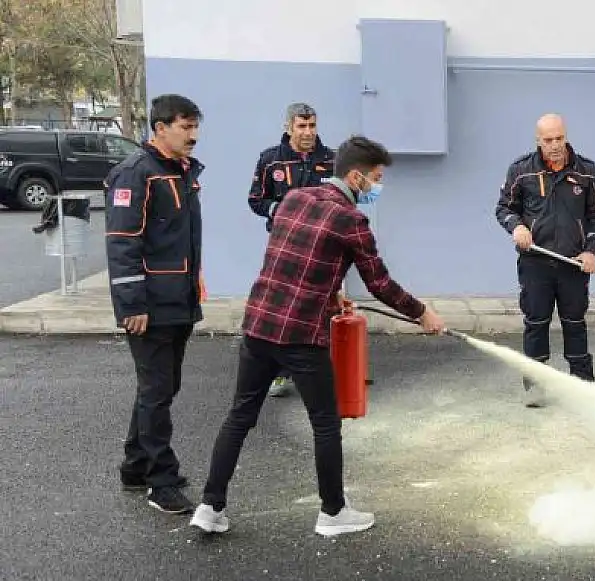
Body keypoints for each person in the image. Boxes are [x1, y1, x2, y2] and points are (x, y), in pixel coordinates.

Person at [189, 135, 445, 537]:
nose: (378, 188)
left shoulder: (294, 199)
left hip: (259, 324)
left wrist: (332, 293)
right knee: (325, 424)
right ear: (356, 177)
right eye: (376, 179)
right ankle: (332, 513)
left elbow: (295, 258)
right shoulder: (352, 221)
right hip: (301, 337)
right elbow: (380, 284)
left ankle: (210, 506)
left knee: (240, 417)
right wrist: (422, 312)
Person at [105, 94, 205, 514]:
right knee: (157, 389)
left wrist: (194, 281)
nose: (193, 136)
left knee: (159, 386)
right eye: (186, 127)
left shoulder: (180, 171)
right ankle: (160, 481)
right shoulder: (135, 174)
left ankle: (135, 466)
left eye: (196, 127)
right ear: (160, 128)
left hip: (177, 299)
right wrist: (132, 307)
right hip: (150, 304)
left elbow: (177, 238)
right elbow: (123, 245)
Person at [493, 113, 595, 408]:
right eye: (548, 140)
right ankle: (535, 387)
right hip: (536, 263)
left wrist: (592, 251)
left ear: (565, 136)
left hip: (573, 265)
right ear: (538, 141)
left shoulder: (587, 171)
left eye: (559, 138)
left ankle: (583, 385)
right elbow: (505, 208)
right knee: (536, 323)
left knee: (575, 323)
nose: (555, 145)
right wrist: (516, 227)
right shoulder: (521, 171)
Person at [248, 102, 337, 398]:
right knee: (282, 311)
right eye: (301, 126)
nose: (308, 132)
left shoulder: (332, 160)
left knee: (321, 309)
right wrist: (280, 209)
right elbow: (255, 200)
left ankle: (320, 371)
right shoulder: (270, 160)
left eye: (312, 125)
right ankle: (278, 374)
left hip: (323, 250)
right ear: (289, 127)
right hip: (284, 251)